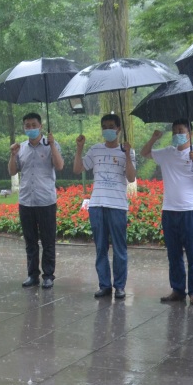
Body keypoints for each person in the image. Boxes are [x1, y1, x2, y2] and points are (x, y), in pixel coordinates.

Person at [141, 120, 193, 305]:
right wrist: (154, 138)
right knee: (174, 254)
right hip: (169, 210)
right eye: (174, 131)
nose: (177, 134)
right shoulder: (167, 153)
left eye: (180, 131)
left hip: (191, 211)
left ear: (190, 134)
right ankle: (178, 290)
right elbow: (144, 153)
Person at [74, 114, 137, 299]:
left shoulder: (127, 151)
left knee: (119, 249)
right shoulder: (95, 150)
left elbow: (131, 177)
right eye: (105, 127)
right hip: (97, 205)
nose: (108, 130)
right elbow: (78, 169)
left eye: (111, 126)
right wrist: (79, 148)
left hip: (117, 206)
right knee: (100, 248)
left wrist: (127, 154)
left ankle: (120, 286)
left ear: (118, 129)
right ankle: (104, 285)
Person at [8, 113, 64, 289]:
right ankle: (32, 275)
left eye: (34, 125)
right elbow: (12, 171)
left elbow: (59, 165)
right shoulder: (21, 148)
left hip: (46, 201)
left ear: (41, 126)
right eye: (27, 125)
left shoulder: (51, 144)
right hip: (26, 201)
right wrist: (12, 155)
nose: (30, 128)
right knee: (30, 241)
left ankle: (48, 275)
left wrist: (52, 145)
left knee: (48, 241)